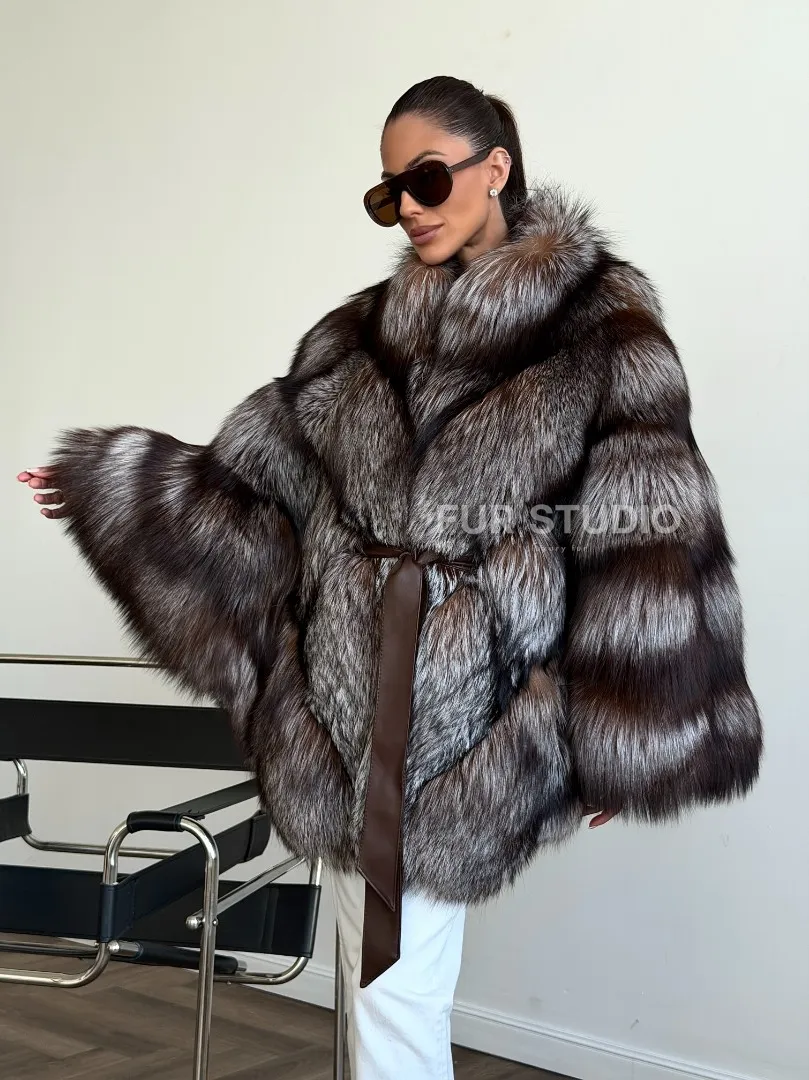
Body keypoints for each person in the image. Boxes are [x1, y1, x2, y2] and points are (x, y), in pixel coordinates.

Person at [17, 75, 763, 1080]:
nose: (407, 207)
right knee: (376, 980)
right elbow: (253, 485)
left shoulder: (602, 328)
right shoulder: (357, 335)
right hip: (348, 702)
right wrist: (114, 484)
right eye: (387, 193)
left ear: (494, 168)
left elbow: (653, 538)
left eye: (426, 179)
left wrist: (627, 732)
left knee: (389, 987)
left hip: (483, 715)